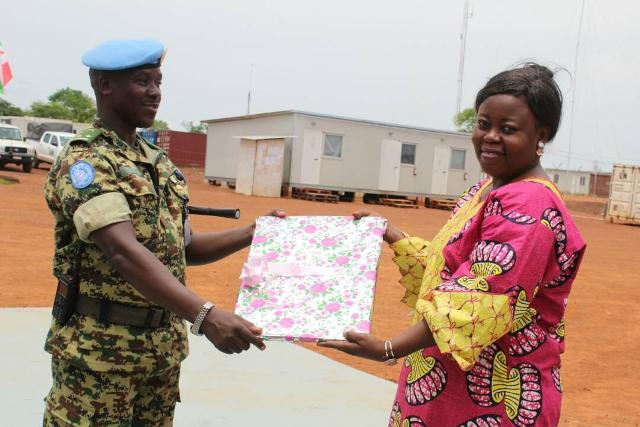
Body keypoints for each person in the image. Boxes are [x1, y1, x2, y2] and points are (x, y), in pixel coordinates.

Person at [319, 63, 586, 426]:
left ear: (542, 135)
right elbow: (450, 271)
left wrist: (388, 348)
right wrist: (392, 234)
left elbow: (479, 298)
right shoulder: (487, 189)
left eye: (508, 129)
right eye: (483, 124)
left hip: (492, 397)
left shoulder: (529, 204)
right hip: (450, 387)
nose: (490, 137)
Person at [42, 39, 284, 426]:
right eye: (143, 81)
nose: (155, 92)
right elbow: (122, 251)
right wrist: (205, 315)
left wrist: (254, 232)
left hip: (161, 353)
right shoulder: (86, 160)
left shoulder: (158, 164)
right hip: (99, 355)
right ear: (105, 86)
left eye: (158, 81)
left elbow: (183, 247)